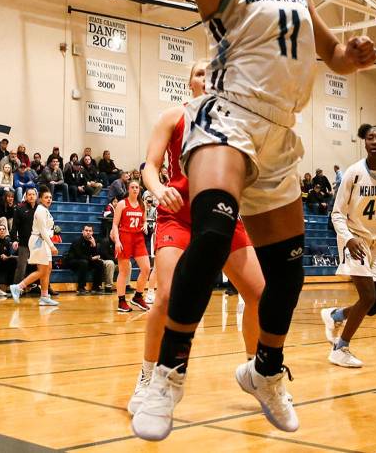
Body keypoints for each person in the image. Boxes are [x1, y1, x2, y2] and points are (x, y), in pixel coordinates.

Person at [129, 0, 376, 441]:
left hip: (280, 138)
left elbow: (334, 56)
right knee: (210, 234)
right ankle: (167, 373)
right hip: (228, 120)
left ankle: (266, 369)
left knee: (287, 272)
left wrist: (356, 55)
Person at [129, 59, 265, 417]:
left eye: (214, 73)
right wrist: (158, 190)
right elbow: (150, 166)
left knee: (259, 294)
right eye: (201, 73)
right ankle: (148, 376)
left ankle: (256, 371)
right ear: (190, 82)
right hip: (180, 214)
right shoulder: (174, 116)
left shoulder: (234, 121)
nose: (208, 78)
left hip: (222, 216)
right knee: (169, 296)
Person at [321, 122, 376, 368]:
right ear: (364, 141)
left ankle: (336, 315)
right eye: (370, 138)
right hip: (355, 239)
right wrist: (348, 238)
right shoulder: (354, 172)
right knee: (367, 296)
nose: (375, 141)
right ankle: (340, 348)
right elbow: (337, 213)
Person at [10, 186, 59, 306]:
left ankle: (44, 296)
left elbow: (47, 229)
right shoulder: (40, 210)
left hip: (43, 241)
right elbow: (42, 230)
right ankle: (18, 287)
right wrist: (52, 246)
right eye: (46, 197)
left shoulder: (44, 210)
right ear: (40, 199)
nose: (49, 199)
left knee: (48, 268)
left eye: (50, 197)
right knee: (42, 270)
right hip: (38, 241)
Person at [111, 179, 152, 313]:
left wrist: (145, 225)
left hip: (138, 238)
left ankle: (138, 296)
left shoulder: (142, 205)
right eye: (132, 187)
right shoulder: (122, 204)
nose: (135, 189)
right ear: (128, 189)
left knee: (146, 269)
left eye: (137, 187)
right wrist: (117, 241)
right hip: (125, 237)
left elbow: (144, 220)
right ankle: (121, 301)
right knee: (124, 271)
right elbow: (115, 225)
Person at [64, 224, 103, 294]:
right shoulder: (77, 241)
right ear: (82, 232)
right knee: (84, 262)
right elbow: (79, 255)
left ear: (92, 232)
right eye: (86, 230)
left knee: (99, 263)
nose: (88, 232)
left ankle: (96, 287)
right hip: (73, 261)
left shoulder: (93, 241)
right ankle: (81, 287)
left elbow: (97, 255)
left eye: (90, 231)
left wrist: (94, 246)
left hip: (86, 261)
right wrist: (91, 258)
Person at [11, 188, 37, 284]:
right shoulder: (20, 208)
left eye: (33, 194)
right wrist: (14, 240)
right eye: (29, 194)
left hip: (37, 243)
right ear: (25, 196)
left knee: (41, 266)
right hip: (24, 242)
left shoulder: (40, 209)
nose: (31, 196)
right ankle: (16, 288)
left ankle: (42, 287)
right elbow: (14, 226)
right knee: (21, 267)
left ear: (36, 196)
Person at [0, 222, 15, 296]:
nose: (2, 230)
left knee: (13, 261)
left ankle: (9, 286)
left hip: (5, 261)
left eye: (3, 229)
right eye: (0, 229)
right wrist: (0, 256)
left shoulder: (7, 241)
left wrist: (7, 257)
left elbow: (9, 254)